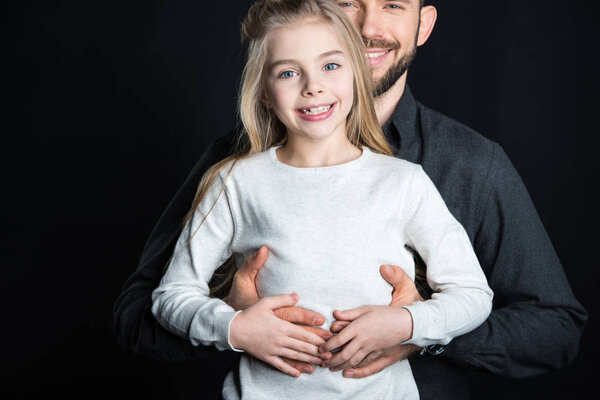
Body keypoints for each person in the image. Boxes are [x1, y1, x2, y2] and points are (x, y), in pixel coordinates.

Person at [112, 0, 587, 399]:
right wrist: (232, 319)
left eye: (392, 4)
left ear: (423, 24)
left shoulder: (455, 167)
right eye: (348, 2)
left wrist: (416, 330)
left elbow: (552, 329)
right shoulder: (233, 171)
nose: (368, 26)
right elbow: (143, 312)